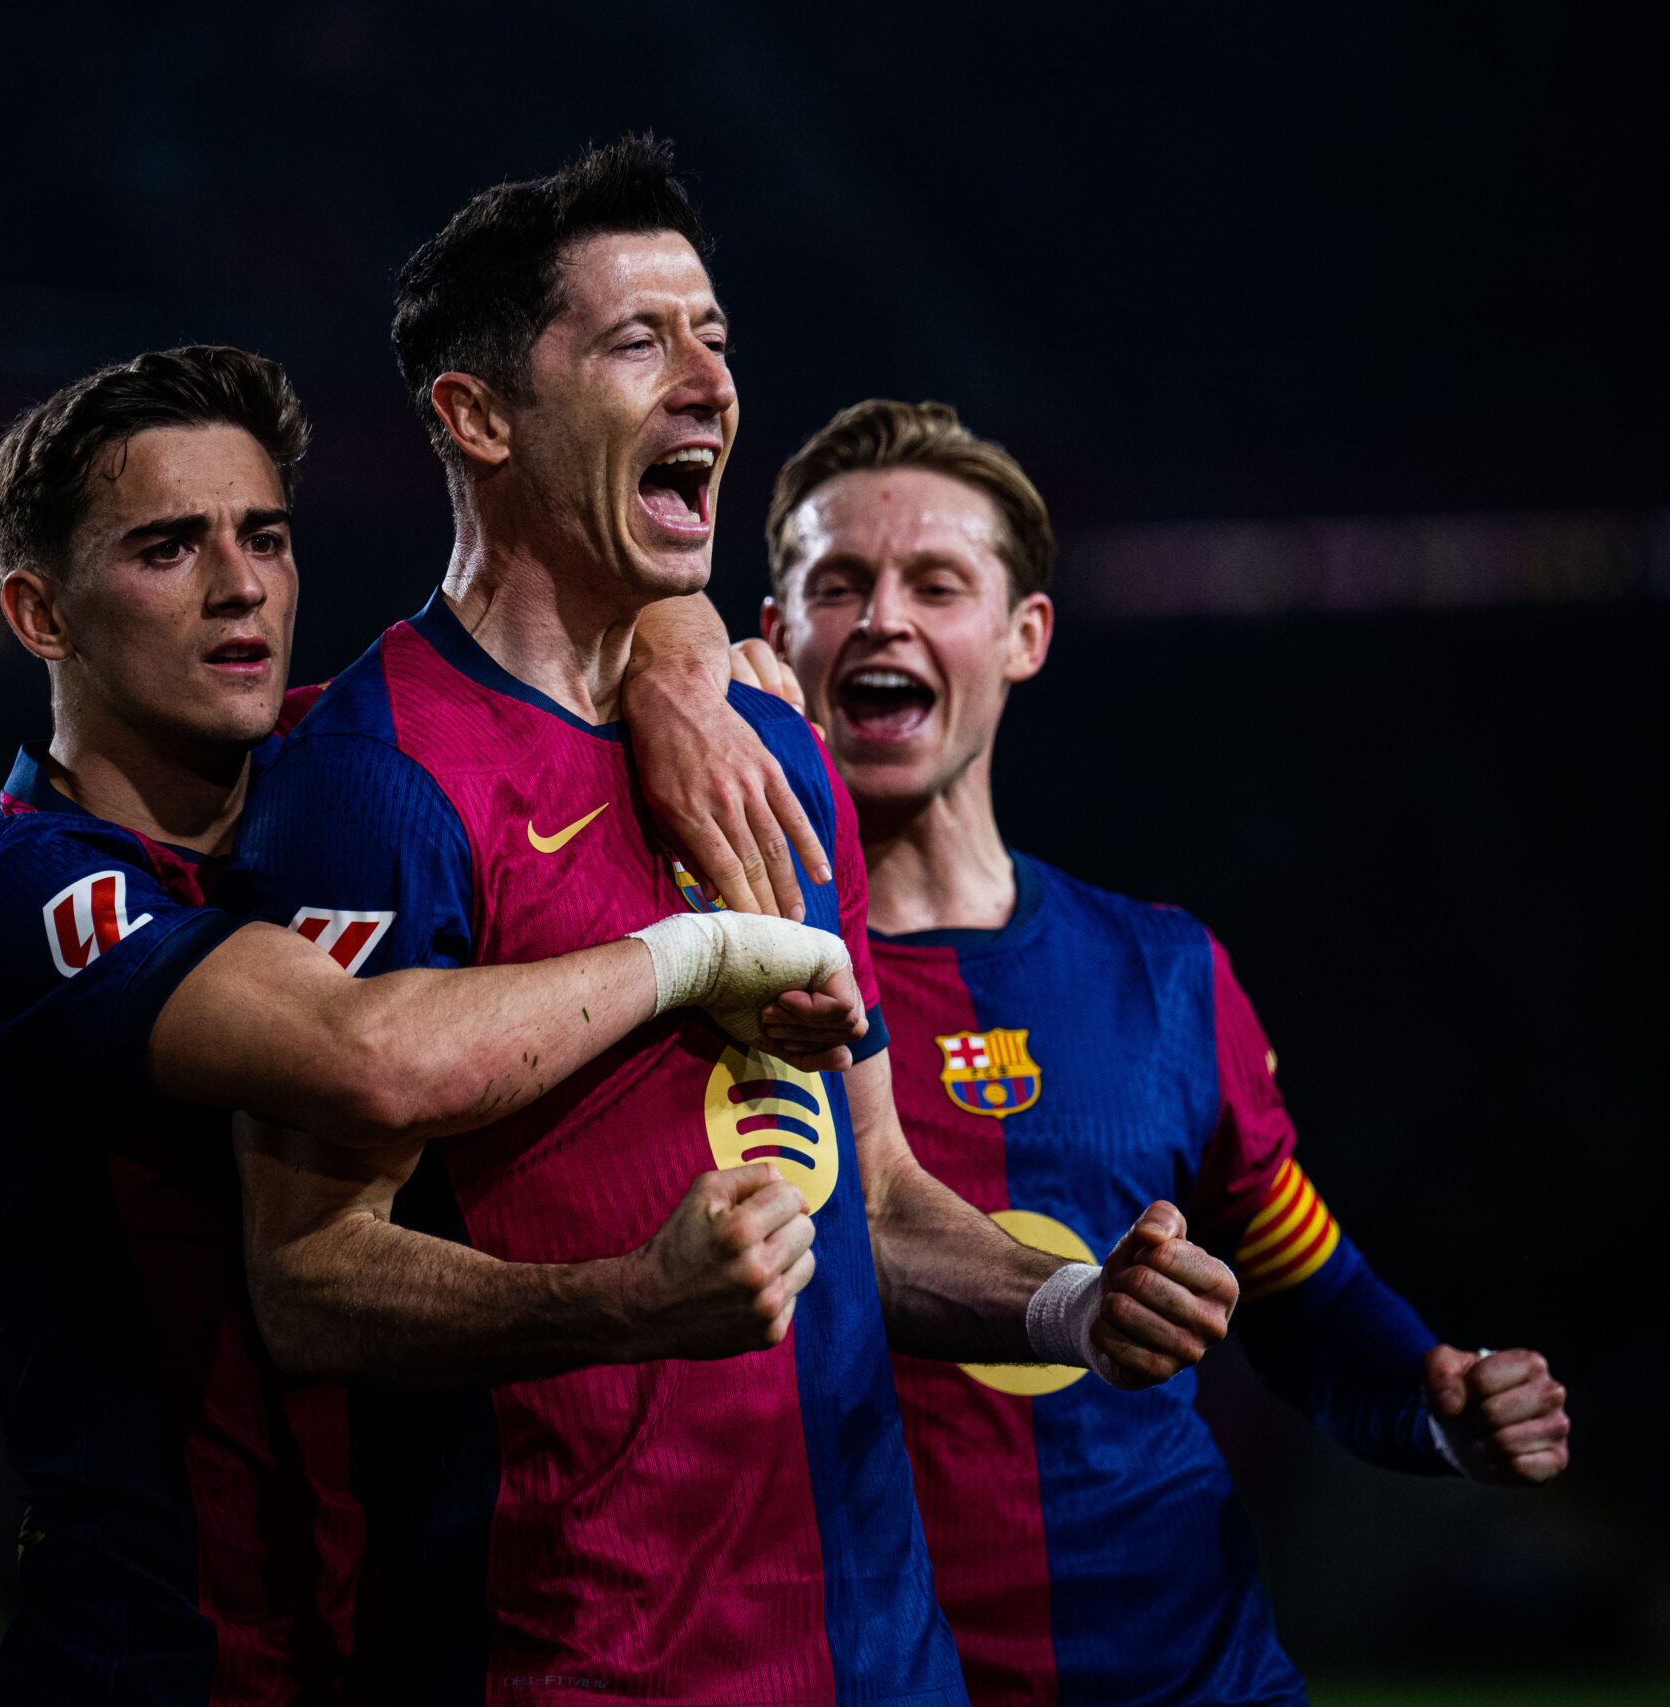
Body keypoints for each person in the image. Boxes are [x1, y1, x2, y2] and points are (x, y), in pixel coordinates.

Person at [221, 137, 1240, 1707]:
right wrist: (621, 1307)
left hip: (885, 1664)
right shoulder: (372, 783)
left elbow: (874, 1201)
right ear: (477, 416)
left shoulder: (770, 750)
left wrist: (1072, 1306)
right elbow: (305, 1284)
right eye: (640, 342)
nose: (710, 384)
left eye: (716, 339)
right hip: (575, 1664)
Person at [0, 344, 865, 1705]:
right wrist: (705, 954)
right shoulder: (10, 896)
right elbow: (366, 1057)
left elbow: (618, 610)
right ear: (39, 611)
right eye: (168, 548)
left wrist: (672, 670)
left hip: (396, 1649)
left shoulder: (339, 776)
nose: (241, 585)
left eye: (265, 536)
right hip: (158, 1662)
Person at [735, 397, 1572, 1707]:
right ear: (777, 634)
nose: (883, 618)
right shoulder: (736, 983)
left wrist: (1435, 1404)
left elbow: (1303, 1295)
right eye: (838, 584)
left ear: (1025, 635)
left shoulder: (1164, 972)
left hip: (1197, 1678)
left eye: (936, 583)